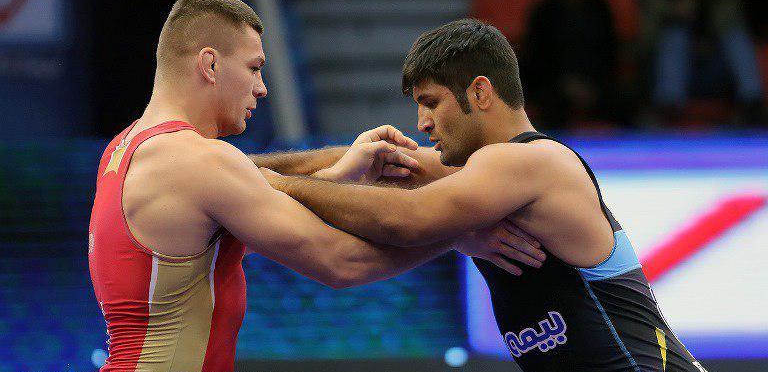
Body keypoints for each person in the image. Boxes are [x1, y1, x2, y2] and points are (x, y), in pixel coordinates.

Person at [87, 0, 543, 372]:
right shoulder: (197, 162)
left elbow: (250, 190)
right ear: (209, 64)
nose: (262, 88)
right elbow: (344, 263)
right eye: (253, 67)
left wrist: (343, 167)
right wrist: (460, 229)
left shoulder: (128, 149)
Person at [262, 19, 707, 372]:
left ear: (479, 91)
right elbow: (368, 161)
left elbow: (407, 220)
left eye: (431, 102)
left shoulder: (529, 162)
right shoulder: (484, 172)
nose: (422, 122)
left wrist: (274, 185)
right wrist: (237, 168)